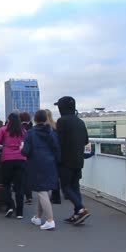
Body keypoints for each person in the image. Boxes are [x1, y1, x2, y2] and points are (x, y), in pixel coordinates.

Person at [21, 110, 61, 230]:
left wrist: (21, 149)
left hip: (36, 163)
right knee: (44, 190)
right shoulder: (52, 132)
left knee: (41, 190)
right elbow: (57, 148)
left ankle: (50, 220)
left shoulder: (30, 133)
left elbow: (26, 151)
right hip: (50, 162)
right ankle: (37, 217)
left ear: (35, 120)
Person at [54, 96, 90, 225]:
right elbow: (86, 140)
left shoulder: (62, 121)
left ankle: (80, 208)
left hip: (65, 160)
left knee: (66, 187)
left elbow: (58, 141)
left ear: (61, 107)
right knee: (75, 187)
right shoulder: (80, 122)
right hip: (79, 159)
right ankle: (77, 214)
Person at [0, 113, 26, 219]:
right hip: (20, 159)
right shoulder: (23, 131)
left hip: (7, 159)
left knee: (6, 184)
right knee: (19, 186)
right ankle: (20, 212)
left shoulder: (3, 130)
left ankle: (10, 205)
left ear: (8, 120)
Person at [45, 109, 61, 204]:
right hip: (56, 153)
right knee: (55, 176)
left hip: (46, 154)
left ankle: (47, 195)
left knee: (46, 176)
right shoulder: (55, 126)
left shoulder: (43, 128)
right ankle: (56, 195)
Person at [20, 112, 34, 204]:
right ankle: (29, 196)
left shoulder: (20, 128)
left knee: (23, 176)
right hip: (31, 154)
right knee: (28, 176)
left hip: (22, 153)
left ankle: (24, 194)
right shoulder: (32, 128)